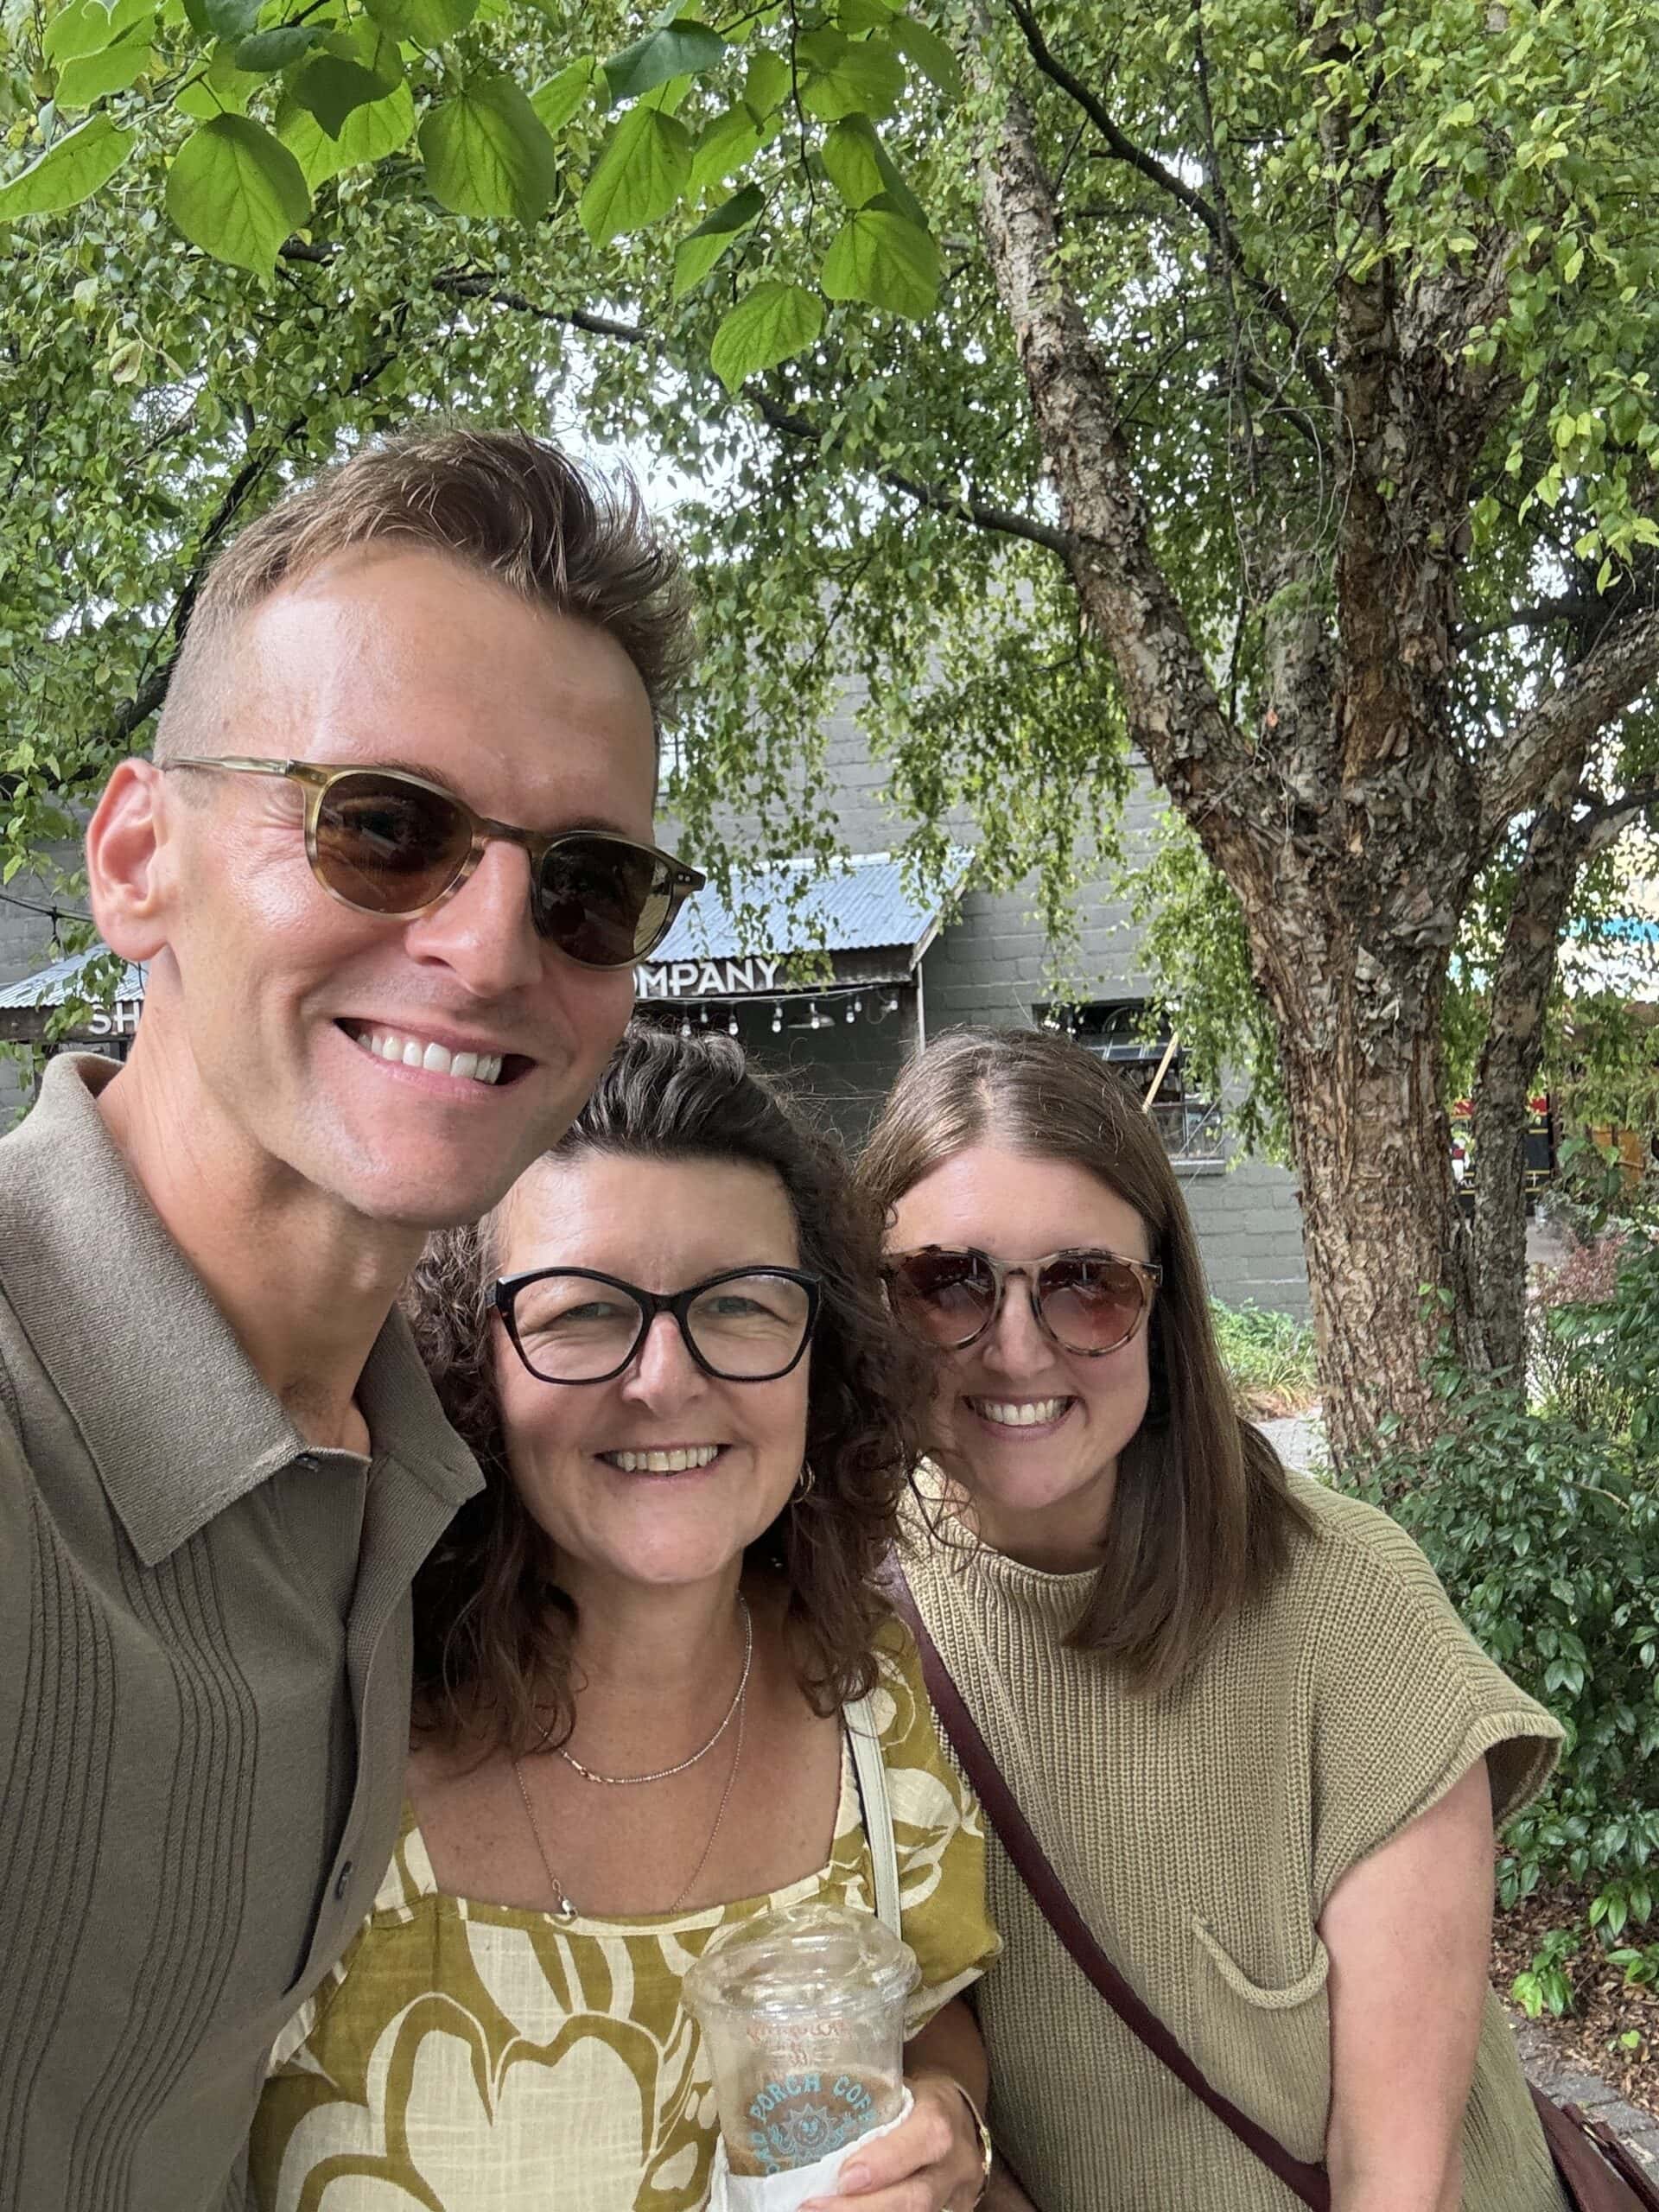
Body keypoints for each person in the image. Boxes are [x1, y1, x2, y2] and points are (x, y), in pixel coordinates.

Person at [0, 429, 703, 2212]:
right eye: (384, 827)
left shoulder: (410, 1485)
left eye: (589, 883)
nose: (489, 946)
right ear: (138, 854)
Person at [250, 1026, 1001, 2212]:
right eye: (583, 1310)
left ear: (827, 1357)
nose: (665, 1379)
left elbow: (930, 2011)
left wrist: (949, 2125)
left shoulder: (871, 1706)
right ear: (467, 1360)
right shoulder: (322, 1728)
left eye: (744, 1304)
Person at [858, 1025, 1568, 2212]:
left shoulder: (1344, 1599)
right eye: (948, 1284)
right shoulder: (839, 1619)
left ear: (1161, 1304)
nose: (1018, 1348)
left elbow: (1400, 2178)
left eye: (1086, 1285)